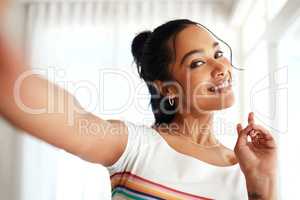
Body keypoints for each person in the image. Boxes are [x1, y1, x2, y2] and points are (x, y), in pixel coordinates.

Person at [0, 18, 277, 199]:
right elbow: (60, 113)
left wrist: (263, 183)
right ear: (167, 88)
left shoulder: (245, 168)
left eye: (218, 54)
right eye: (197, 63)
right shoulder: (136, 147)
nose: (220, 68)